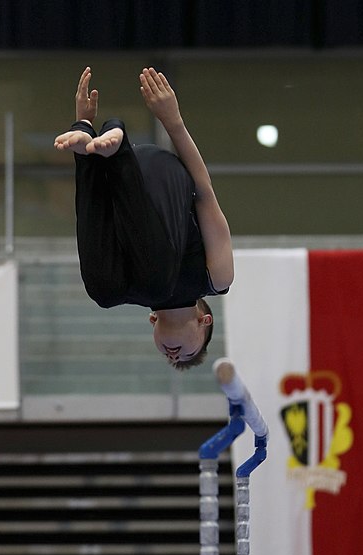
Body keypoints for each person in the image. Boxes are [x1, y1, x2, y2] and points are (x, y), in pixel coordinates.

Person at [54, 66, 234, 369]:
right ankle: (117, 138)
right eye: (188, 354)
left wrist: (83, 118)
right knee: (154, 287)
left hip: (112, 175)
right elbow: (205, 192)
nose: (173, 355)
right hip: (164, 176)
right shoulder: (215, 279)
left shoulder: (129, 289)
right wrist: (172, 121)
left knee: (104, 294)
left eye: (168, 357)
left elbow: (101, 225)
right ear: (205, 321)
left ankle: (85, 140)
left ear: (152, 320)